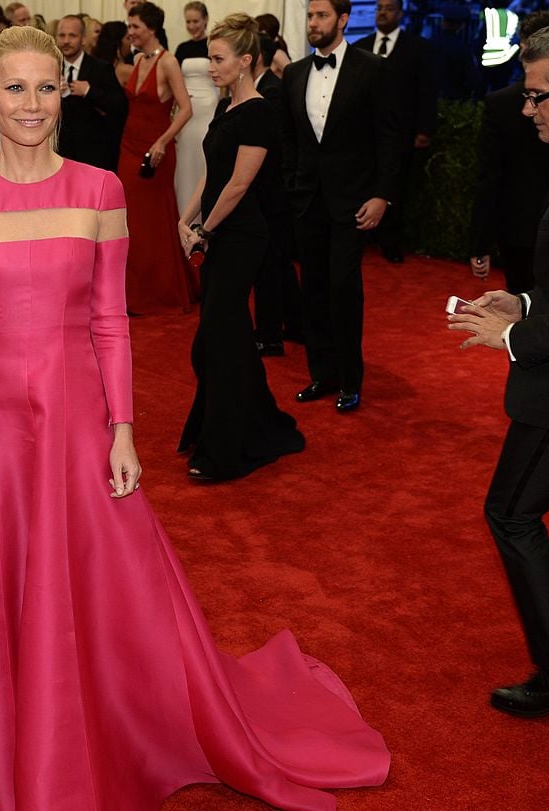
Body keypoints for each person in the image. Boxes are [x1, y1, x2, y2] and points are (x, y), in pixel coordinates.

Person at [0, 24, 389, 811]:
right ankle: (25, 763)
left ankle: (104, 744)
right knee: (6, 591)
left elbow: (108, 323)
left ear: (62, 91)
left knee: (96, 585)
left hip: (75, 419)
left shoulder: (98, 189)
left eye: (42, 88)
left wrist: (125, 429)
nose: (29, 105)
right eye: (12, 89)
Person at [449, 21, 549, 720]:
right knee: (513, 510)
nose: (529, 110)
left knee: (511, 510)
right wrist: (523, 297)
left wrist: (514, 334)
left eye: (540, 96)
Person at [176, 15, 305, 482]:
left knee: (219, 336)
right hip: (216, 231)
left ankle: (227, 447)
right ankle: (249, 422)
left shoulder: (260, 112)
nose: (209, 66)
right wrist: (185, 219)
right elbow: (211, 175)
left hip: (243, 236)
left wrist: (204, 231)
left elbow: (238, 185)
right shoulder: (225, 110)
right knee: (221, 338)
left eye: (217, 58)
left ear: (245, 61)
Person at [280, 0, 401, 413]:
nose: (313, 23)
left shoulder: (372, 69)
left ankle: (351, 379)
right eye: (310, 17)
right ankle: (323, 374)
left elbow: (389, 139)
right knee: (312, 288)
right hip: (307, 200)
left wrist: (382, 194)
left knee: (342, 288)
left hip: (354, 203)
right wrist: (290, 184)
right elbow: (289, 139)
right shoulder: (295, 73)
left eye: (322, 16)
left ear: (343, 20)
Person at [469, 10, 549, 293]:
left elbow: (490, 178)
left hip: (522, 229)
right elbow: (490, 175)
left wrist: (479, 242)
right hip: (532, 231)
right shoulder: (502, 104)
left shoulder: (500, 103)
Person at [118, 2, 192, 315]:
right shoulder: (137, 59)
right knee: (130, 219)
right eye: (129, 26)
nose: (130, 32)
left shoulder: (168, 61)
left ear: (151, 28)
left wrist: (162, 142)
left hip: (155, 150)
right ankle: (133, 291)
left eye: (135, 26)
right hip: (128, 146)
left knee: (154, 220)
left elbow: (186, 108)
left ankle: (159, 291)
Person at [352, 0, 437, 264]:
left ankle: (391, 241)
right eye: (378, 8)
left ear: (400, 13)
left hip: (402, 132)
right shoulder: (360, 47)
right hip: (364, 133)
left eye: (388, 8)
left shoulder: (418, 48)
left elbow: (426, 91)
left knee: (397, 188)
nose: (382, 13)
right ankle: (364, 237)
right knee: (363, 182)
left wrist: (424, 129)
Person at [252, 33, 303, 352]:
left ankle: (271, 333)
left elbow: (277, 145)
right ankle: (295, 324)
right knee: (277, 263)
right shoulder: (263, 86)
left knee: (269, 262)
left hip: (272, 190)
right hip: (270, 189)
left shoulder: (270, 89)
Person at [56, 13, 127, 173]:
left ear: (83, 39)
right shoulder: (50, 69)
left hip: (94, 156)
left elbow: (120, 105)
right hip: (59, 155)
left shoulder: (101, 68)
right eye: (62, 35)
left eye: (72, 35)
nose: (66, 41)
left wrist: (89, 91)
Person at [172, 1, 216, 215]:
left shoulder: (213, 45)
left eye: (195, 21)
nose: (192, 26)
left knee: (204, 158)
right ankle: (186, 214)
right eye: (188, 21)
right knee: (186, 163)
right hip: (186, 110)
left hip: (209, 106)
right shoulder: (182, 48)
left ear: (205, 20)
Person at [91, 19, 131, 89]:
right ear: (117, 43)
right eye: (128, 38)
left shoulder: (94, 67)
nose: (131, 42)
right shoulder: (127, 71)